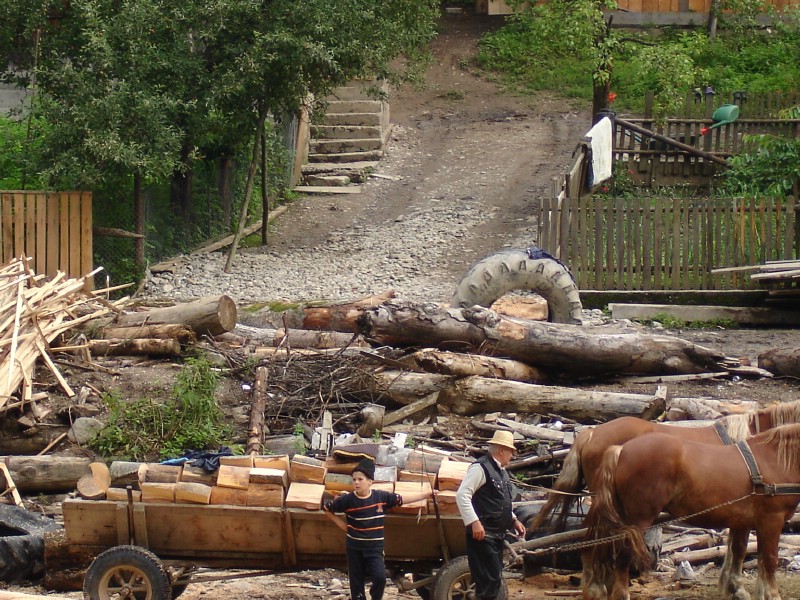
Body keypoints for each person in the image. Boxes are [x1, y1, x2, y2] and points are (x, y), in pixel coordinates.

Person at [323, 458, 434, 600]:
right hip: (354, 548)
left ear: (370, 481)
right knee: (356, 582)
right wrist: (343, 526)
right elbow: (327, 509)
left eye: (360, 479)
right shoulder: (347, 500)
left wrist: (427, 494)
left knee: (380, 578)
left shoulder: (380, 497)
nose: (356, 482)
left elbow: (401, 499)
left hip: (374, 548)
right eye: (354, 479)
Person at [456, 430, 526, 600]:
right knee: (488, 581)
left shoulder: (501, 472)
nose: (512, 455)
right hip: (484, 535)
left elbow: (498, 500)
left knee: (493, 580)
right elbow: (462, 494)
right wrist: (474, 522)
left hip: (495, 535)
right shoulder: (480, 468)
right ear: (502, 450)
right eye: (511, 451)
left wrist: (514, 519)